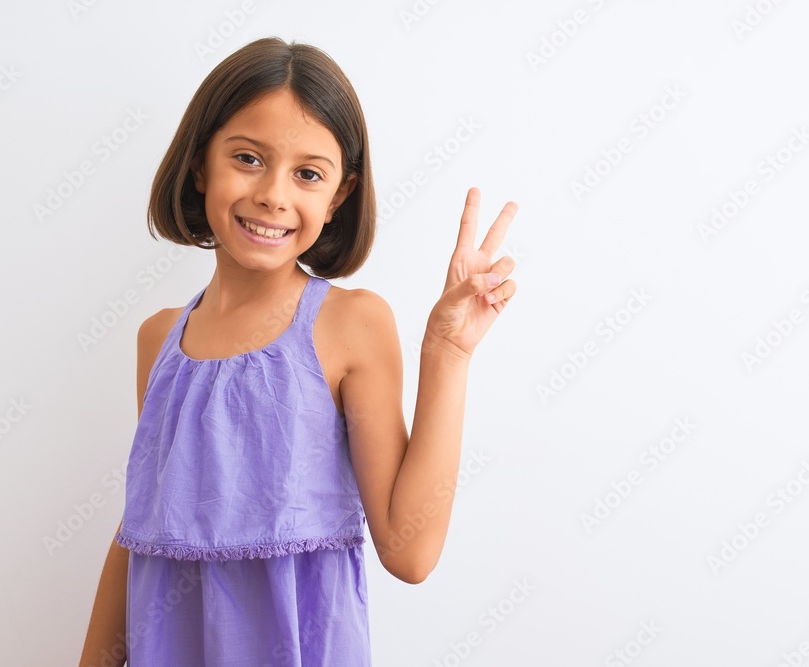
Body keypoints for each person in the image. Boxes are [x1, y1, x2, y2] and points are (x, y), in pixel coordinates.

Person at [79, 36, 518, 666]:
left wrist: (448, 351)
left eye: (308, 174)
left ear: (338, 196)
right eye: (248, 158)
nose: (273, 195)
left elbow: (410, 552)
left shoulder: (351, 324)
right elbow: (144, 532)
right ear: (200, 164)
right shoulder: (159, 340)